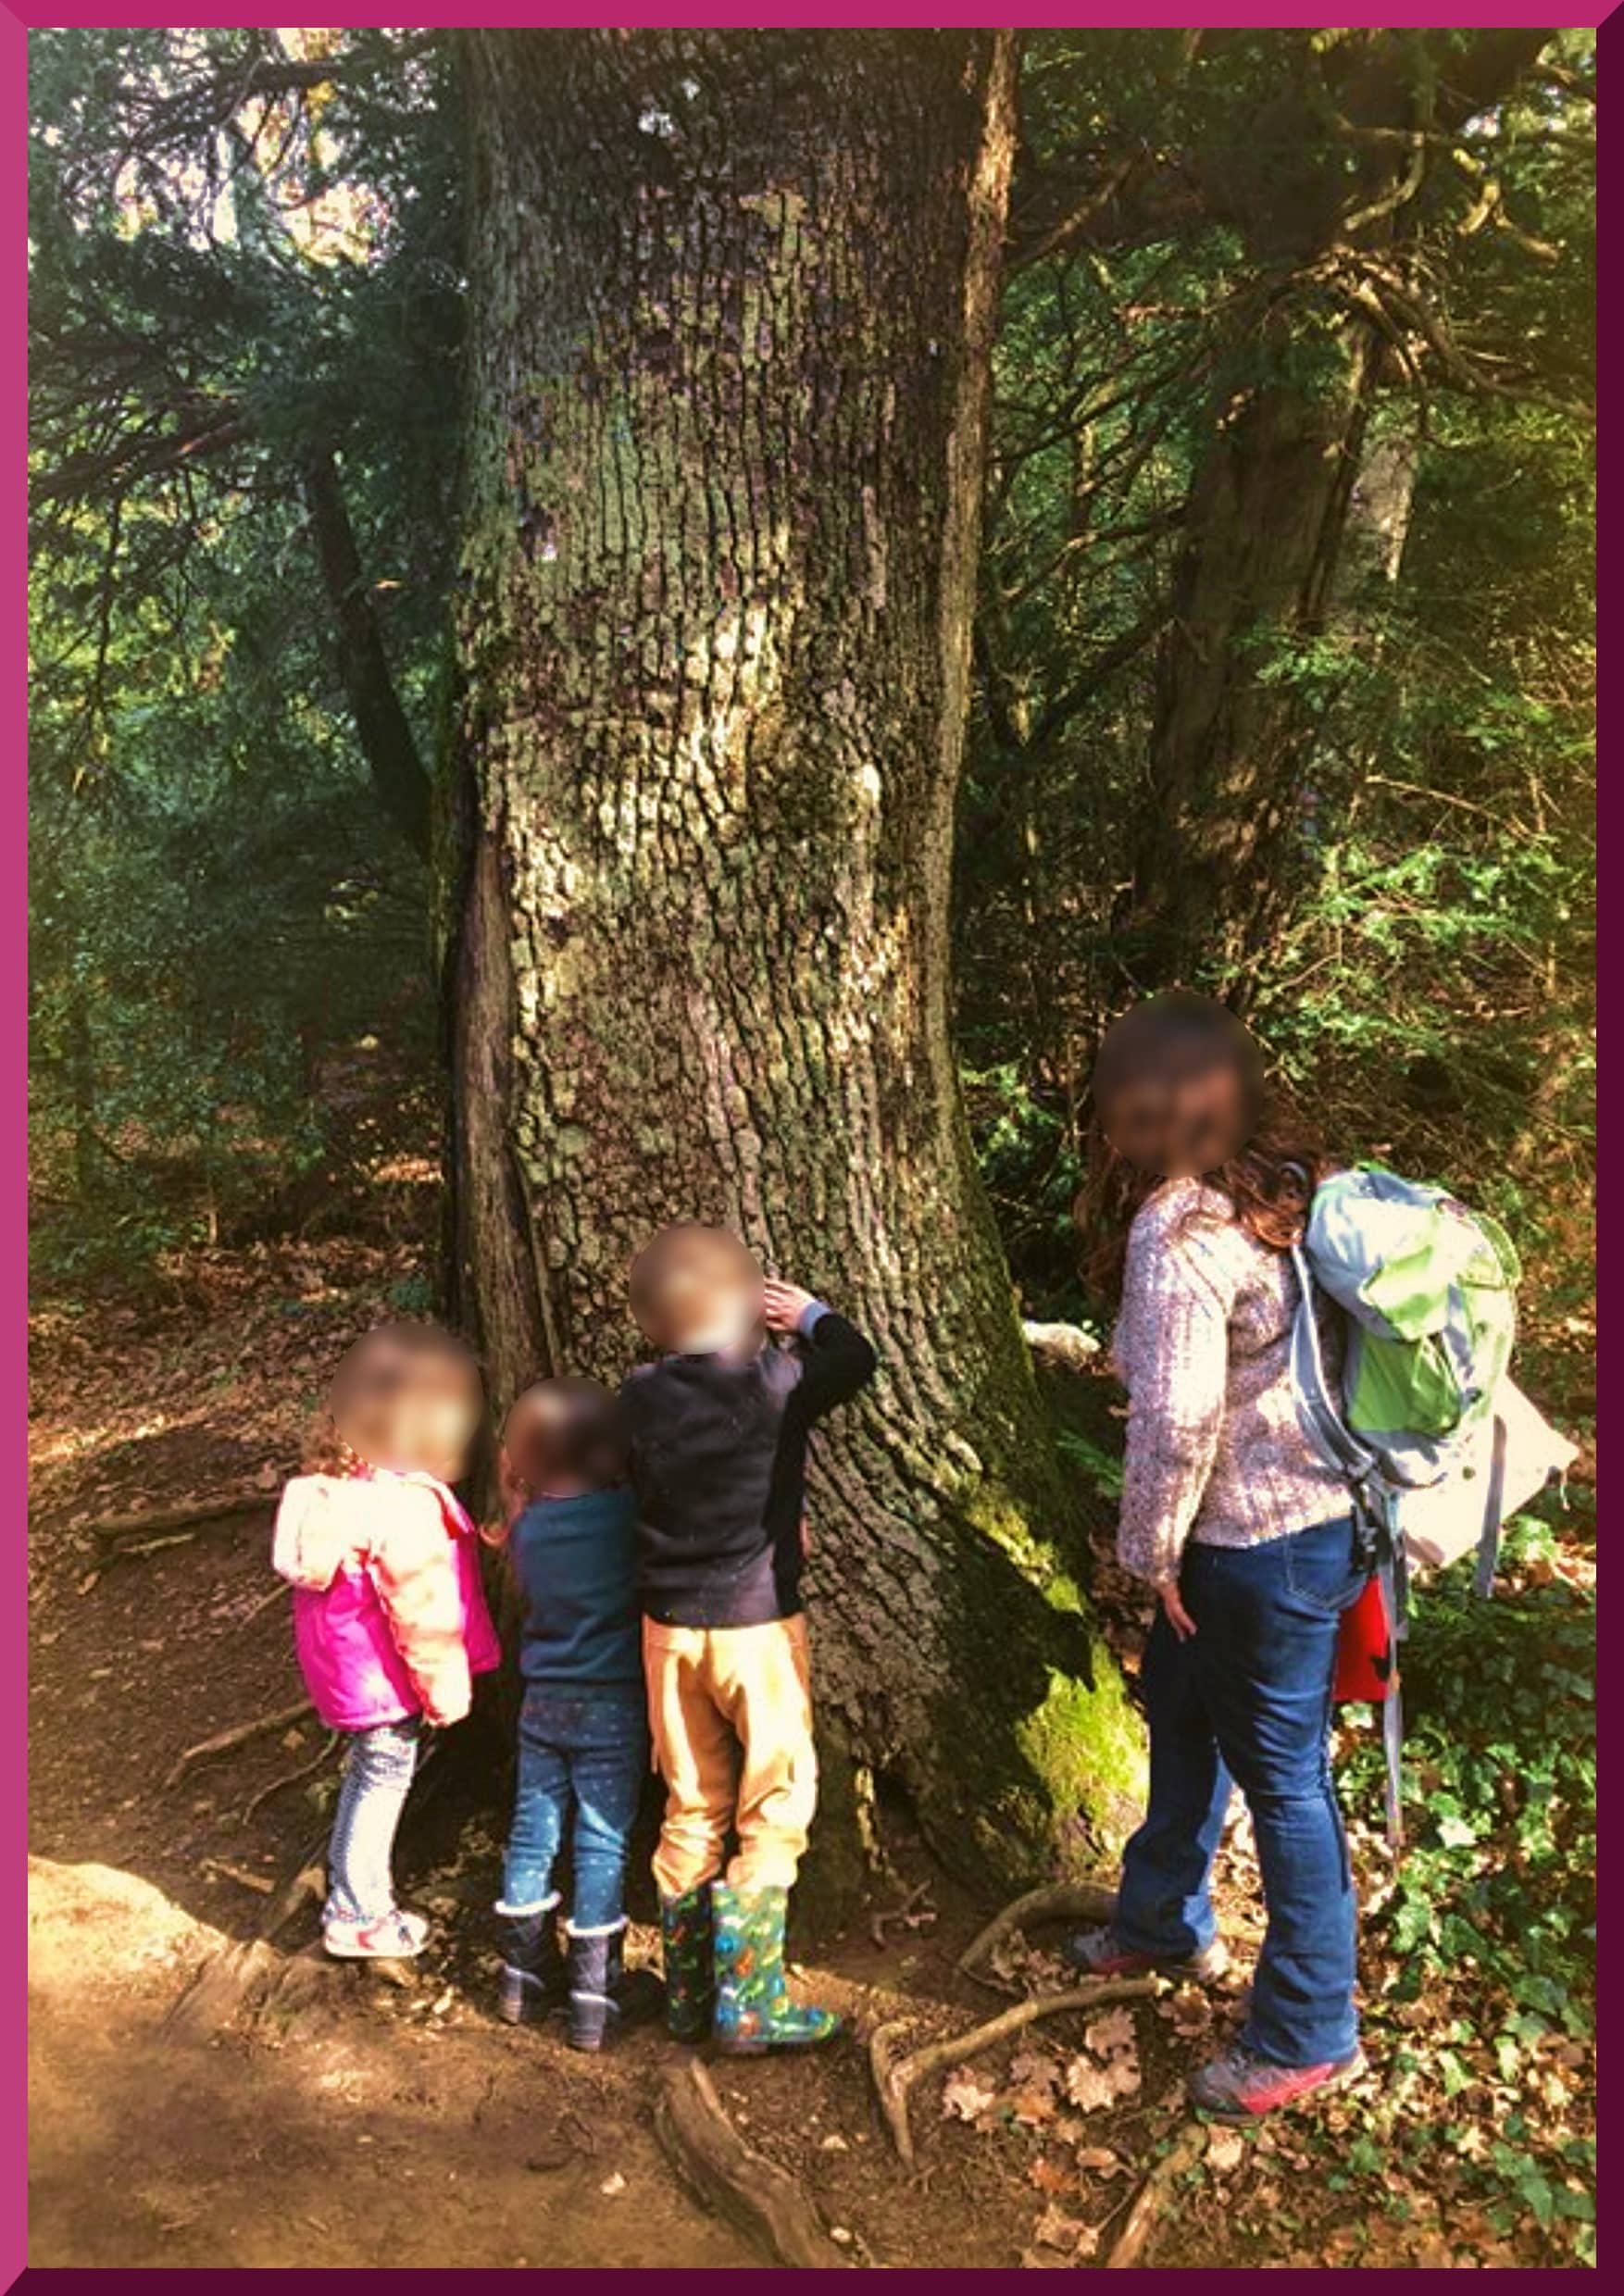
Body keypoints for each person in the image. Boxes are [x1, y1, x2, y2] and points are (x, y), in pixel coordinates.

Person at [1068, 992, 1369, 2120]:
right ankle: (1158, 1922)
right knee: (1183, 1714)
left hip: (1241, 1542)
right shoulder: (1292, 1189)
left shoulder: (1182, 1228)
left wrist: (1147, 1555)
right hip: (1317, 1523)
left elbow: (1177, 1421)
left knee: (1286, 1778)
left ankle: (1307, 2029)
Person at [619, 1224, 876, 2053]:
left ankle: (690, 1994)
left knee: (690, 1804)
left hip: (668, 1636)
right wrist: (811, 1315)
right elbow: (857, 1360)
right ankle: (751, 2001)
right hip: (758, 1630)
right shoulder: (777, 1379)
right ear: (749, 1310)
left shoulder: (637, 1395)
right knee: (775, 1801)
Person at [272, 1322, 500, 1960]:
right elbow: (421, 1615)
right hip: (388, 1683)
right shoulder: (401, 1507)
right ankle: (360, 1911)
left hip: (348, 1679)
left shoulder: (330, 1493)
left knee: (367, 1778)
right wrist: (446, 1696)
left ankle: (351, 1898)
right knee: (382, 1782)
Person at [491, 1376, 663, 2051]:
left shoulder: (528, 1529)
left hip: (542, 1704)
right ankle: (597, 1991)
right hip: (612, 1705)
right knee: (601, 1838)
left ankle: (521, 1976)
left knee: (533, 1832)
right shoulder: (626, 1516)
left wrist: (513, 1493)